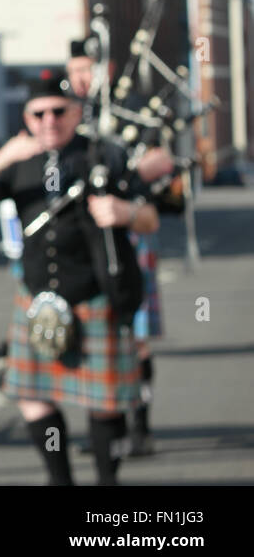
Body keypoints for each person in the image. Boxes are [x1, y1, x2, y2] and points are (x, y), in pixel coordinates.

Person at [0, 73, 157, 485]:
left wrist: (126, 212)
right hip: (37, 301)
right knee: (32, 400)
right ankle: (59, 479)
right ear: (27, 117)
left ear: (77, 113)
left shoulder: (106, 155)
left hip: (96, 296)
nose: (49, 120)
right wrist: (2, 157)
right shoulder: (19, 162)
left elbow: (151, 216)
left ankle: (106, 481)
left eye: (58, 111)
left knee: (104, 405)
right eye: (39, 113)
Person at [67, 37, 175, 456]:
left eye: (89, 68)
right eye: (76, 69)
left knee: (136, 336)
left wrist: (123, 164)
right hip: (81, 236)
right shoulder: (63, 113)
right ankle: (104, 429)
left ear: (105, 70)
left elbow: (163, 160)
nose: (82, 77)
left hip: (129, 228)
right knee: (92, 334)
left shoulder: (131, 104)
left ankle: (140, 428)